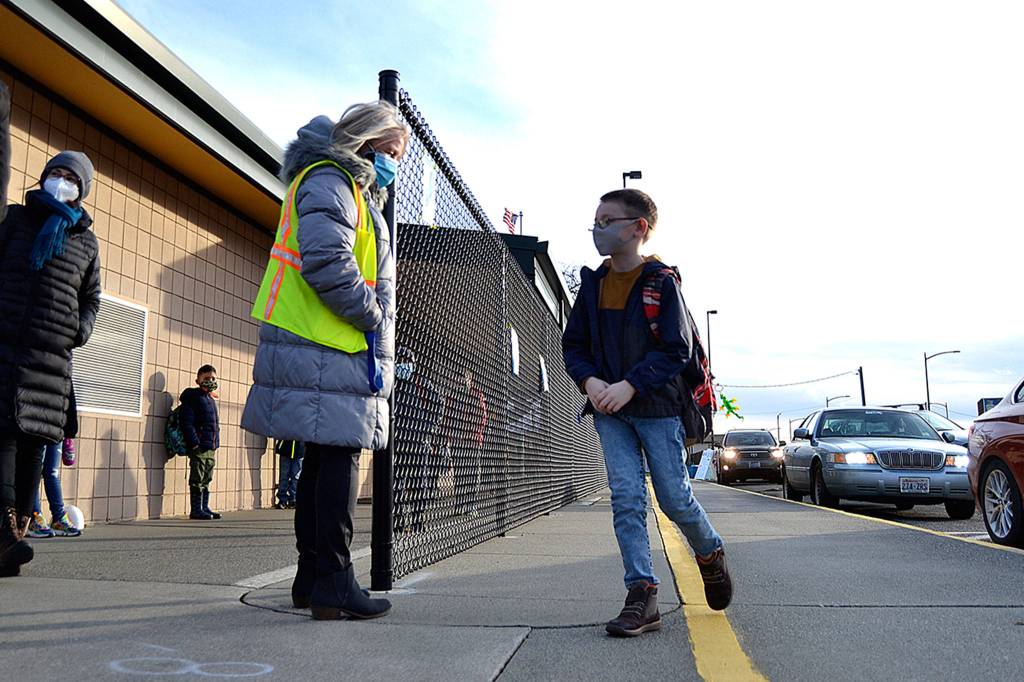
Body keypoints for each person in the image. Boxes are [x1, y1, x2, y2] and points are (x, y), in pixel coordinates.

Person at [241, 103, 404, 620]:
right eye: (391, 153)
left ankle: (312, 577)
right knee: (339, 461)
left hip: (319, 343)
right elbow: (327, 260)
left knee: (320, 462)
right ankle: (333, 579)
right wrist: (373, 313)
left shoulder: (335, 183)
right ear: (368, 143)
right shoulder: (334, 180)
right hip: (330, 343)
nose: (393, 167)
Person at [561, 188, 732, 637]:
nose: (598, 229)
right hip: (609, 410)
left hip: (656, 407)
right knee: (627, 499)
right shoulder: (593, 284)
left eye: (607, 220)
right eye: (595, 221)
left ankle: (710, 552)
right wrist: (591, 382)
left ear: (638, 228)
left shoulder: (661, 282)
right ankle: (642, 594)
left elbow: (675, 349)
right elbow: (574, 345)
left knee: (674, 498)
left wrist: (629, 384)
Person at [0, 80, 102, 577]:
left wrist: (77, 331)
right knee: (2, 443)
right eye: (55, 173)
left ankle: (13, 537)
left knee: (32, 455)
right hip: (6, 350)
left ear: (82, 190)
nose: (61, 180)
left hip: (50, 363)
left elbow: (93, 298)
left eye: (70, 176)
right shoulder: (15, 221)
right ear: (42, 179)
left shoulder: (86, 243)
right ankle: (3, 535)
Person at [393, 347, 443, 530]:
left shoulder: (421, 384)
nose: (402, 364)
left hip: (417, 441)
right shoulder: (392, 383)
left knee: (417, 483)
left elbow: (438, 403)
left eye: (406, 360)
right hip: (396, 442)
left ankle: (417, 520)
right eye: (400, 359)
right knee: (396, 484)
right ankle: (397, 521)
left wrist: (428, 429)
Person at [27, 382, 81, 538]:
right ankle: (35, 517)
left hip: (57, 426)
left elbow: (70, 396)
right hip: (36, 424)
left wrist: (70, 432)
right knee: (35, 472)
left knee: (52, 472)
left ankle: (58, 518)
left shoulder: (62, 362)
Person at [180, 365, 221, 521]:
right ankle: (196, 510)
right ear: (198, 380)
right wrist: (195, 443)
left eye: (212, 378)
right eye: (206, 378)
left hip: (210, 446)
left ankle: (204, 507)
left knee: (207, 477)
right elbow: (187, 423)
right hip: (199, 447)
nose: (210, 381)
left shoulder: (210, 399)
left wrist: (215, 442)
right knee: (197, 478)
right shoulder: (193, 398)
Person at [274, 440, 305, 509]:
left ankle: (293, 499)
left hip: (299, 451)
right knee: (284, 476)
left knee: (295, 478)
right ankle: (282, 500)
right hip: (285, 449)